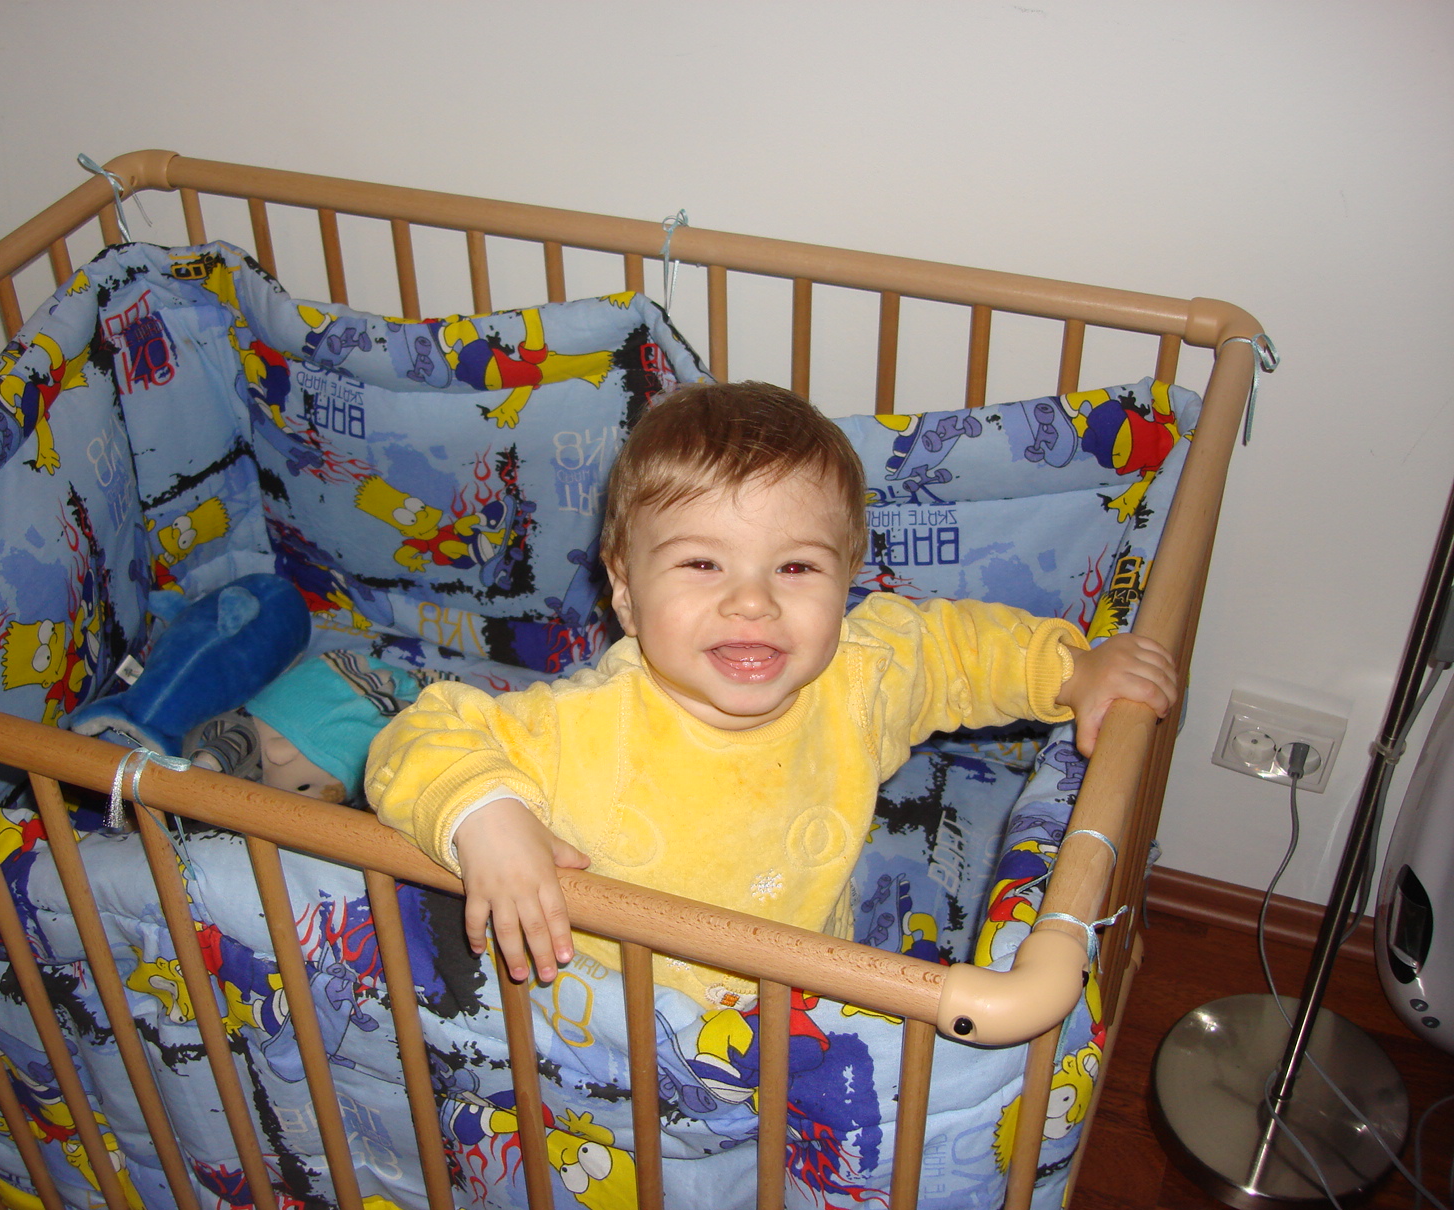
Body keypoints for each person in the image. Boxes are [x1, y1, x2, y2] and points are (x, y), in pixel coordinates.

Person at [364, 382, 1177, 1006]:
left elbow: (958, 650)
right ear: (625, 591)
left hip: (808, 992)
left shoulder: (863, 675)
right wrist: (488, 818)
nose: (752, 601)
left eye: (795, 567)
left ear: (847, 580)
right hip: (623, 1017)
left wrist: (1076, 669)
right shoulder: (581, 728)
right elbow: (417, 736)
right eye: (701, 564)